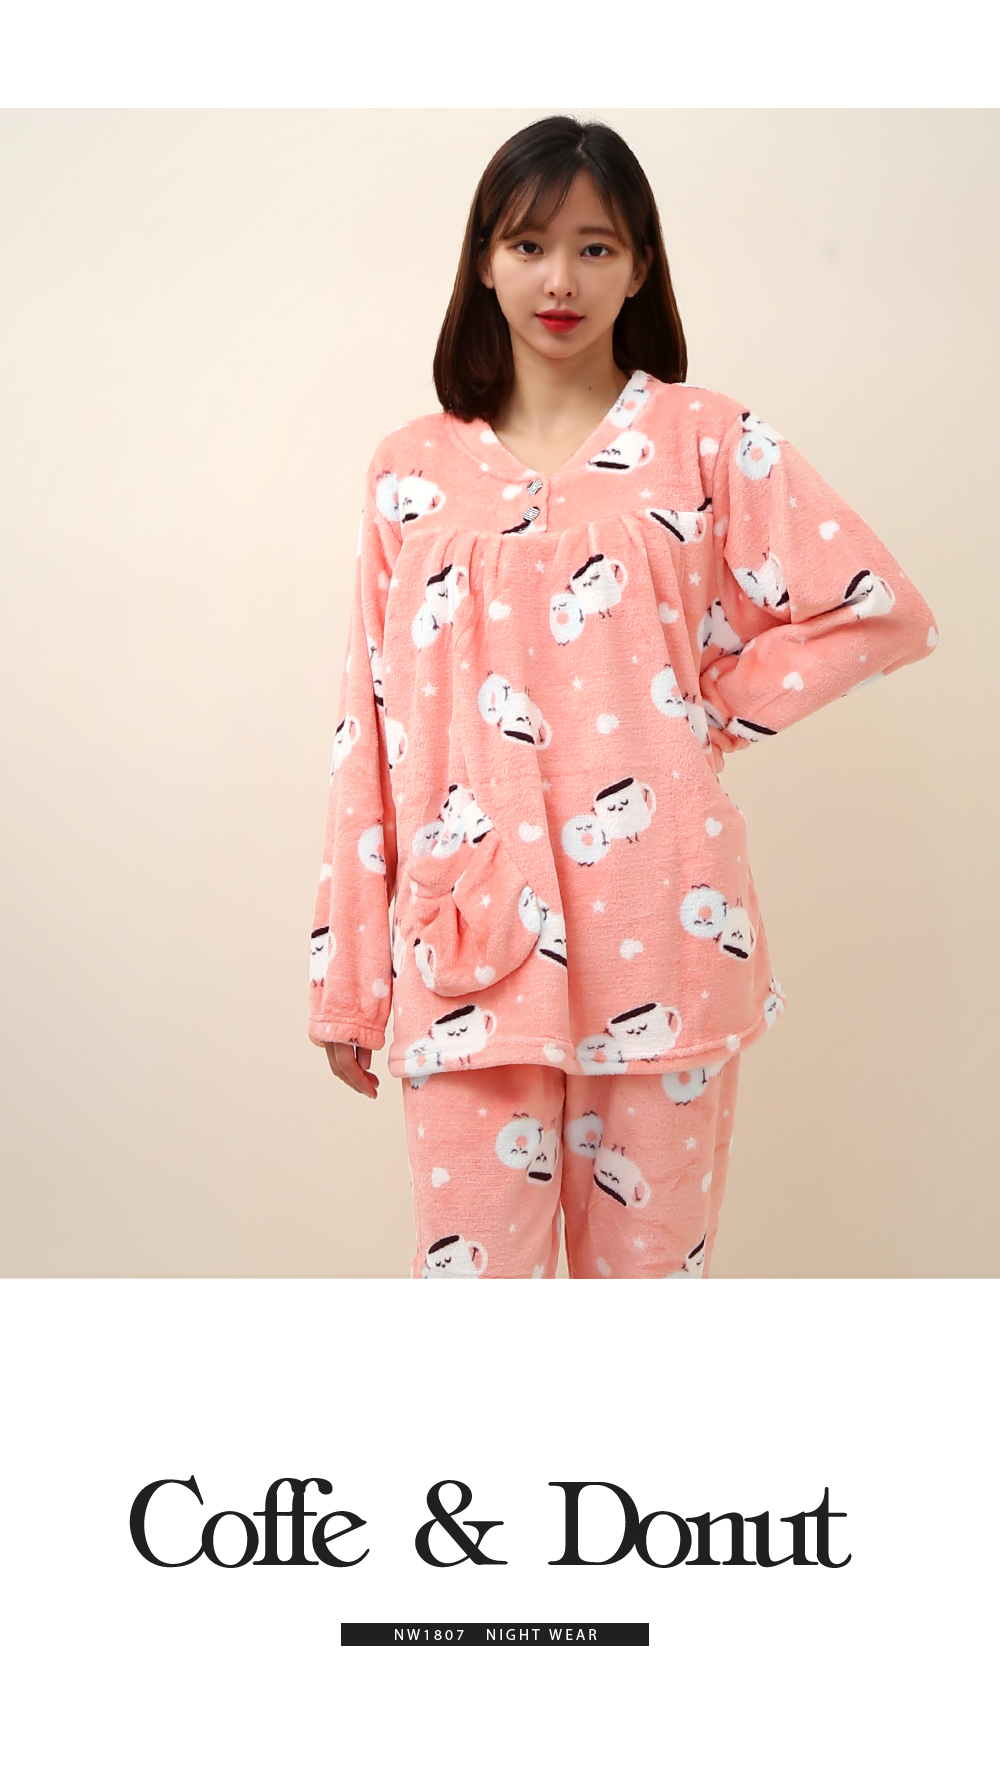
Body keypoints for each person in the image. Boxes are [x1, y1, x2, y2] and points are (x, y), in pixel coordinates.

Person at [307, 115, 938, 1281]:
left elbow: (877, 607)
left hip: (662, 937)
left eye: (595, 248)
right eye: (528, 245)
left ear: (640, 265)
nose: (560, 279)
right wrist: (350, 983)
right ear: (483, 261)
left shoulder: (706, 442)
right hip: (468, 945)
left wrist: (704, 707)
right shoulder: (411, 470)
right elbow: (371, 724)